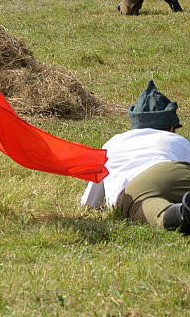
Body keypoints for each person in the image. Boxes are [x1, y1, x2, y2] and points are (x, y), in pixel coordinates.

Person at [81, 80, 190, 235]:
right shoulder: (178, 141)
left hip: (133, 191)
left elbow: (91, 203)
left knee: (157, 213)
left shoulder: (112, 143)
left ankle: (180, 214)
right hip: (171, 169)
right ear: (171, 128)